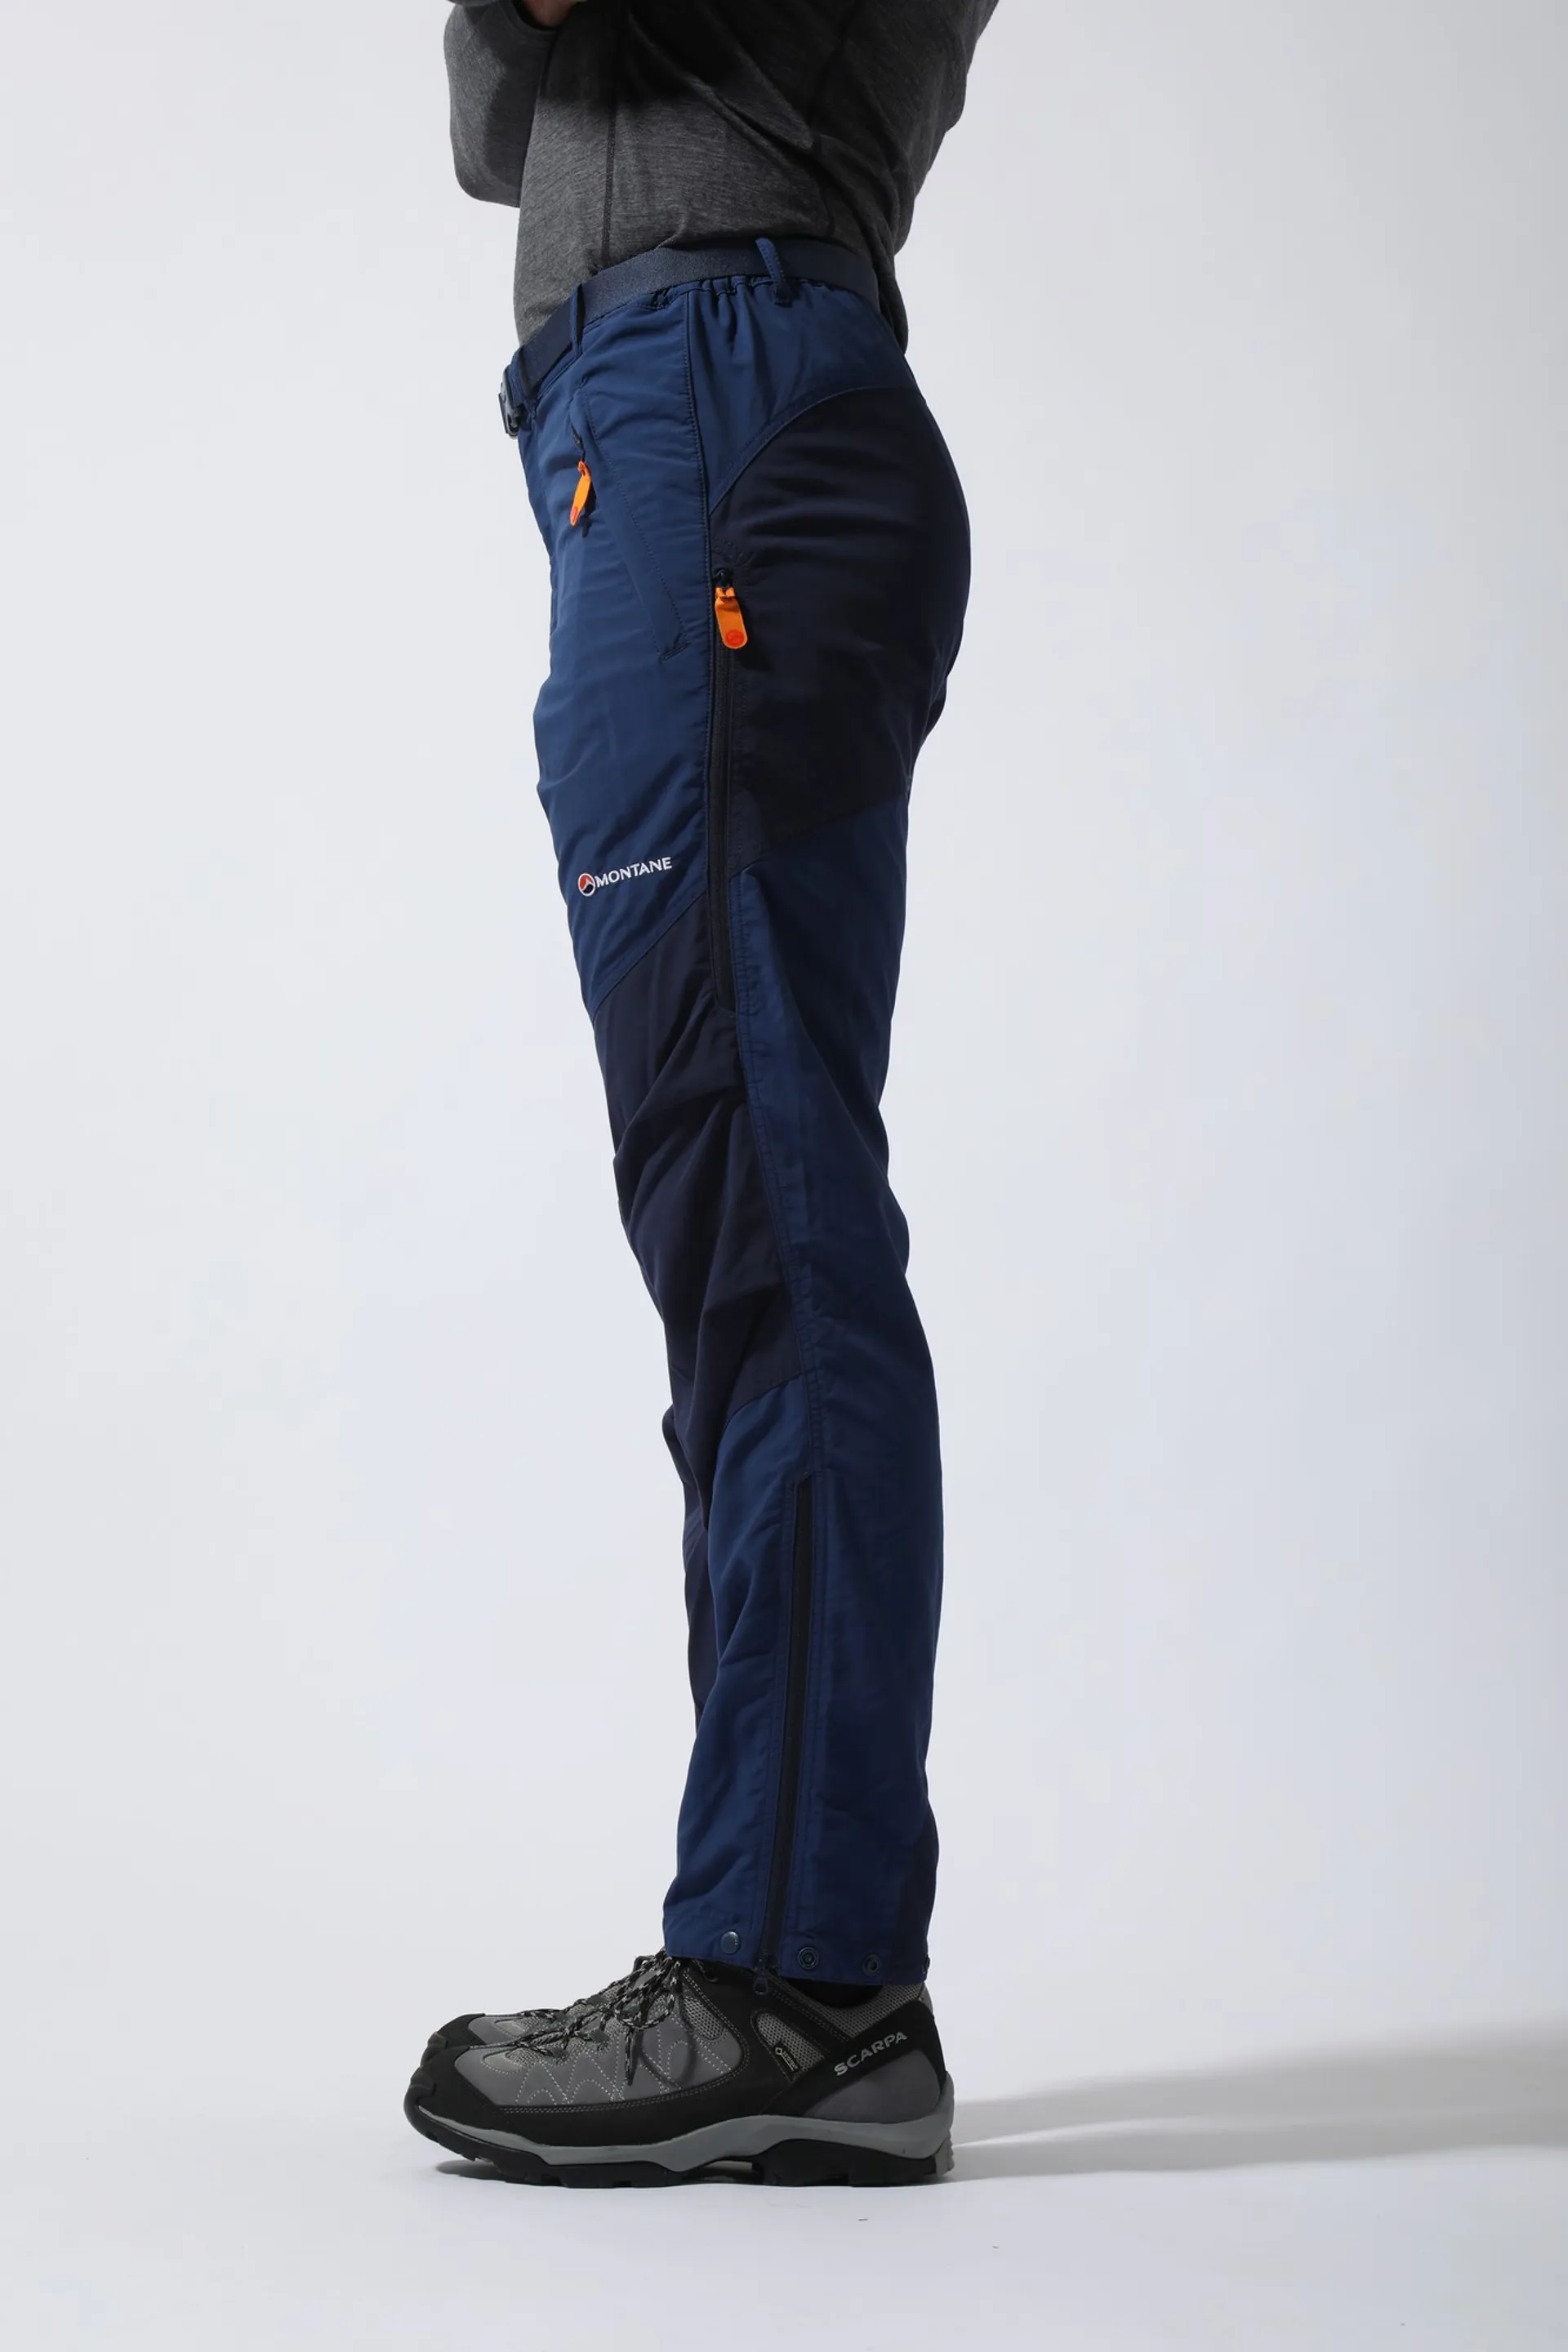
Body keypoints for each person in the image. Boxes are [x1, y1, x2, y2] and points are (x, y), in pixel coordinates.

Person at [406, 0, 998, 2188]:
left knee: (764, 1209)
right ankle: (806, 1968)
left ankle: (795, 1980)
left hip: (722, 406)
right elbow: (501, 130)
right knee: (742, 1213)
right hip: (670, 420)